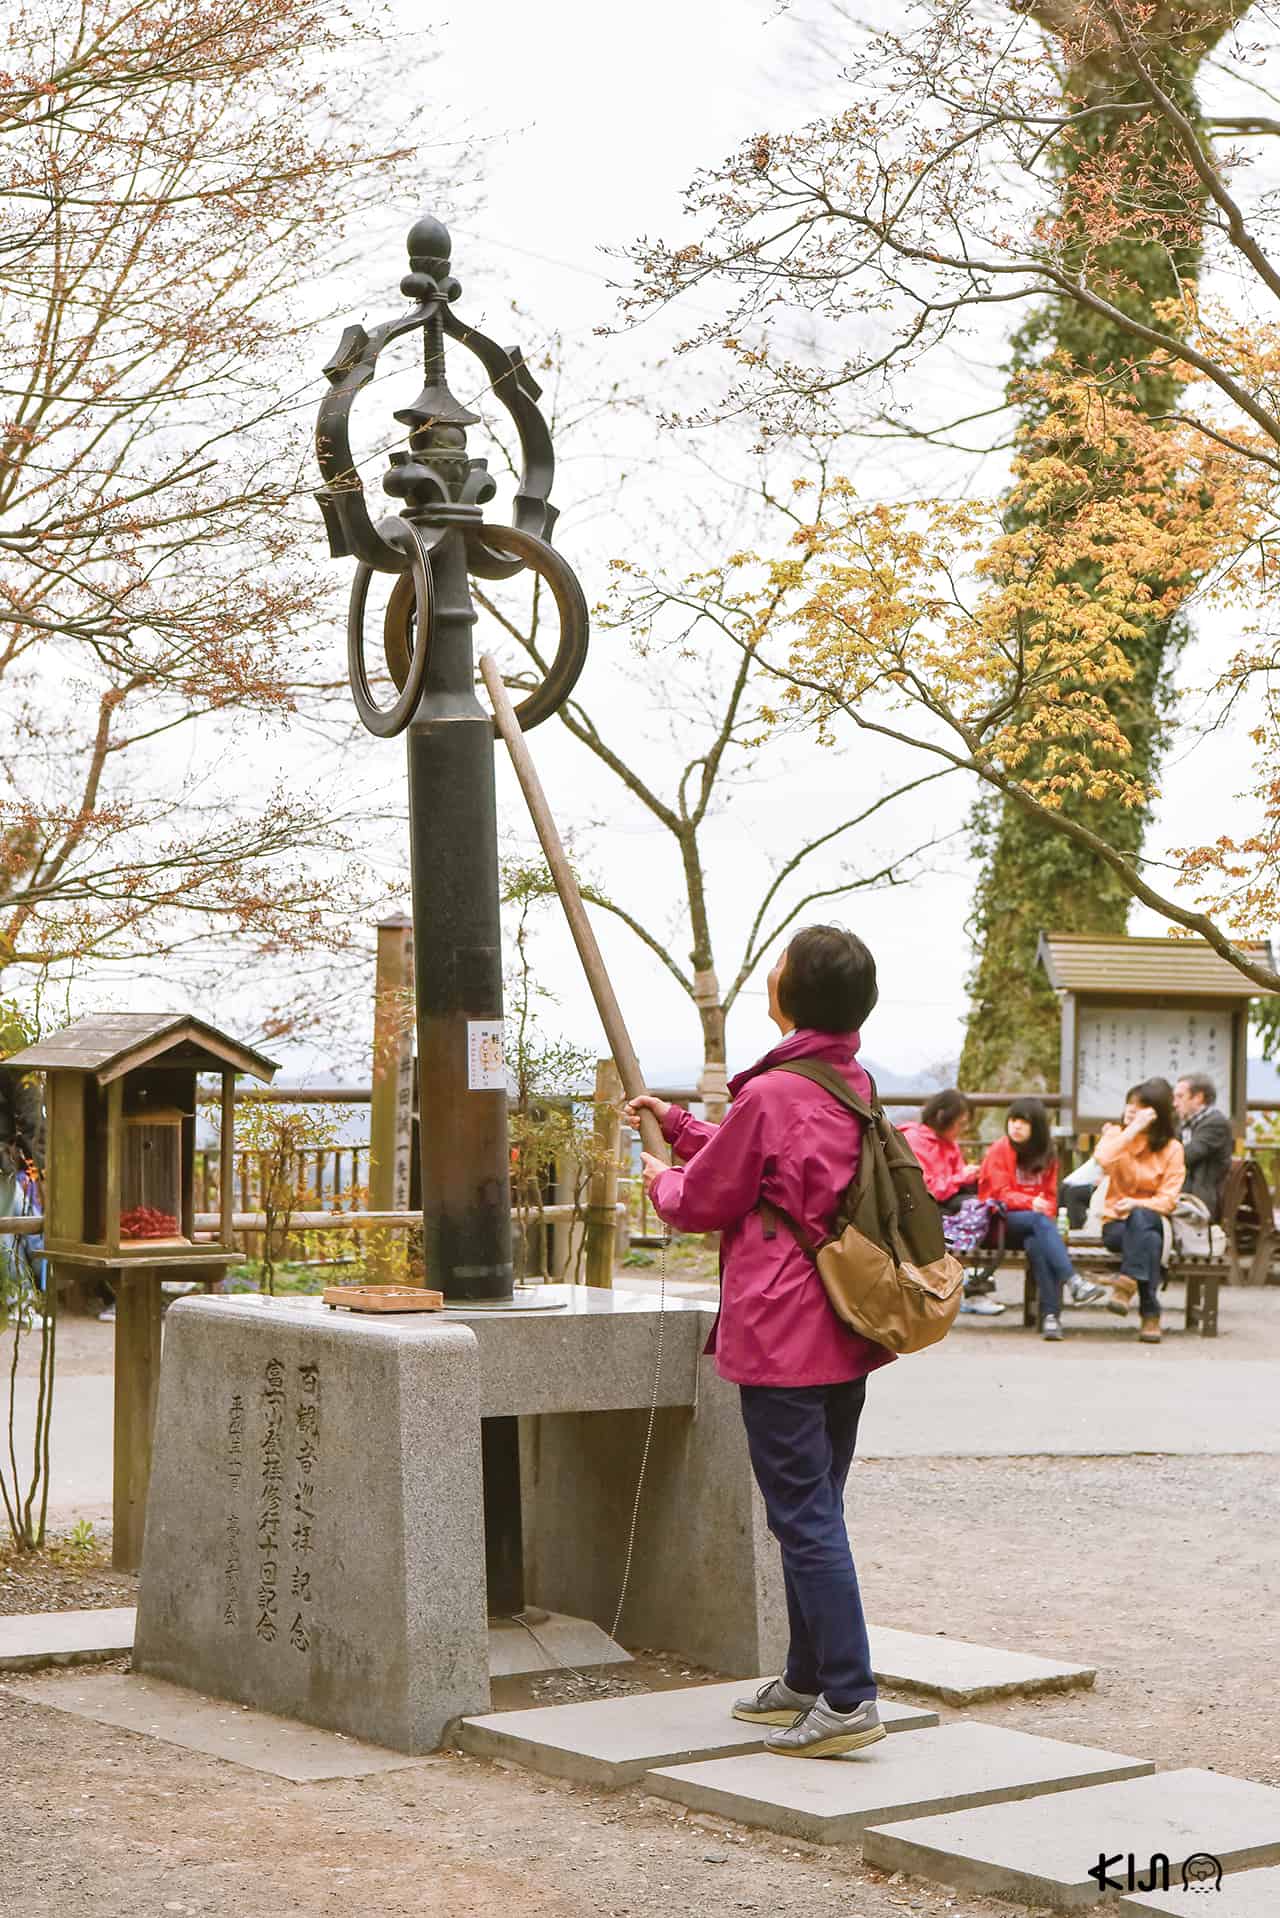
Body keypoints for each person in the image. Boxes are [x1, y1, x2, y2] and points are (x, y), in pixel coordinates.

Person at [626, 925, 892, 1760]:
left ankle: (848, 1695)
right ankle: (807, 1678)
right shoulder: (850, 1083)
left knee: (803, 1516)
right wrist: (678, 1123)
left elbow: (705, 1198)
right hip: (846, 1326)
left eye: (776, 970)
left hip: (782, 1333)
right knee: (816, 1509)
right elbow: (767, 1169)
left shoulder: (776, 1093)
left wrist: (658, 1177)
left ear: (791, 996)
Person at [978, 1098, 1103, 1340]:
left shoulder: (1048, 1154)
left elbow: (1051, 1198)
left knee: (1040, 1245)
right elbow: (997, 1194)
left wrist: (1039, 1208)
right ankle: (1073, 1280)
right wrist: (1029, 1203)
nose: (1016, 1127)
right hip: (1000, 1223)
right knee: (1040, 1224)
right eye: (1013, 1120)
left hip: (1034, 1225)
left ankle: (1050, 1317)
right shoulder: (1000, 1150)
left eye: (1023, 1122)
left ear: (1036, 1127)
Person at [1094, 1078, 1186, 1344]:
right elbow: (1102, 1159)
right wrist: (1133, 1129)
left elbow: (1168, 1200)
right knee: (1150, 1241)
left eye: (1141, 1106)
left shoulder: (1172, 1149)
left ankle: (1126, 1286)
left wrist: (1137, 1204)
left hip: (1154, 1218)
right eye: (1130, 1104)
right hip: (1116, 1225)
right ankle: (1150, 1311)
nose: (1132, 1109)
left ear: (1157, 1113)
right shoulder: (1116, 1136)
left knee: (1143, 1220)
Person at [901, 1091, 1004, 1317]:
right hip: (924, 1209)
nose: (962, 1130)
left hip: (949, 1204)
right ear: (942, 1117)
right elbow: (926, 1189)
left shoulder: (950, 1144)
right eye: (960, 1124)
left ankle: (974, 1282)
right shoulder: (915, 1141)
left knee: (985, 1207)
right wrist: (961, 1177)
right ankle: (972, 1283)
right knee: (975, 1210)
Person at [1173, 1073, 1233, 1221]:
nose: (1174, 1103)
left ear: (1198, 1098)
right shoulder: (1186, 1123)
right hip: (1183, 1193)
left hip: (1200, 1198)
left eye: (1180, 1097)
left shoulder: (1215, 1123)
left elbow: (1186, 1155)